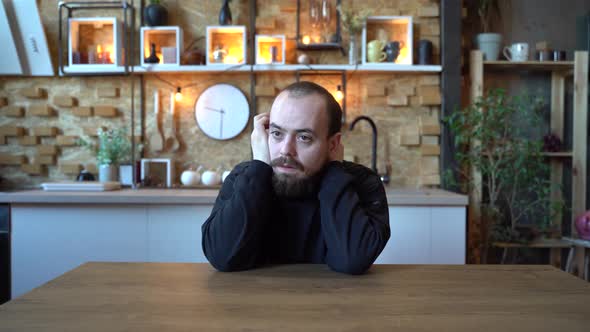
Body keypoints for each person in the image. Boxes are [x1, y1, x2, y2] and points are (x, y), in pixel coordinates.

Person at [201, 81, 390, 275]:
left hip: (334, 302)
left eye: (304, 137)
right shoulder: (244, 178)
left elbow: (353, 260)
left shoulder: (362, 183)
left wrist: (334, 170)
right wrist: (259, 166)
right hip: (255, 303)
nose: (285, 150)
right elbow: (221, 256)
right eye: (276, 133)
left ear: (333, 145)